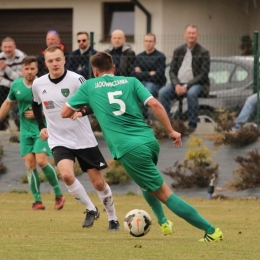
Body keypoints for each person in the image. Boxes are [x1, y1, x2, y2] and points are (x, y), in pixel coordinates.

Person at [61, 51, 224, 242]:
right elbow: (154, 103)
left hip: (129, 149)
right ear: (113, 68)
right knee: (146, 184)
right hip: (149, 141)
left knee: (164, 194)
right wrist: (171, 131)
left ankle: (212, 231)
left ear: (95, 71)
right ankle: (163, 222)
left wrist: (83, 108)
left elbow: (65, 112)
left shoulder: (89, 86)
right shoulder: (131, 81)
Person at [32, 45, 119, 231]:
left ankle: (113, 218)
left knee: (97, 182)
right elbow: (36, 105)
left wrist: (82, 112)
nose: (54, 63)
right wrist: (41, 127)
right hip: (59, 139)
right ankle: (90, 209)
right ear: (45, 63)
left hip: (83, 139)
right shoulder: (38, 84)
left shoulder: (77, 79)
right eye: (50, 61)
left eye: (57, 59)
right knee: (66, 175)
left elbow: (95, 102)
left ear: (64, 59)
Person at [0, 56, 65, 210]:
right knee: (30, 164)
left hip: (42, 129)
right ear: (22, 70)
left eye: (32, 69)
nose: (29, 72)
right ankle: (38, 201)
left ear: (37, 70)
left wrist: (40, 113)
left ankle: (58, 194)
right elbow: (8, 103)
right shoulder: (16, 85)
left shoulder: (44, 84)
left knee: (41, 160)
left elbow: (56, 104)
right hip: (25, 132)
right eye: (26, 69)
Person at [158, 25, 210, 133]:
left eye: (193, 33)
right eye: (189, 33)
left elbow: (203, 74)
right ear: (185, 35)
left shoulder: (204, 52)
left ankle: (192, 126)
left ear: (197, 35)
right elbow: (171, 71)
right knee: (162, 93)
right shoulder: (178, 51)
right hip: (178, 84)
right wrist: (176, 85)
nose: (191, 35)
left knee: (191, 93)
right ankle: (168, 124)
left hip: (197, 84)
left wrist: (186, 86)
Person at [132, 33, 166, 119]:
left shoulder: (160, 56)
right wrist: (149, 73)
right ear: (143, 42)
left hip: (155, 84)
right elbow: (134, 75)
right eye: (146, 41)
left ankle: (145, 119)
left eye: (150, 41)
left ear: (155, 43)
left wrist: (142, 73)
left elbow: (158, 75)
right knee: (132, 93)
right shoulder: (139, 56)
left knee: (144, 93)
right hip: (141, 83)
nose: (148, 43)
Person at [0, 37, 26, 130]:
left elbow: (22, 77)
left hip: (20, 85)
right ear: (1, 48)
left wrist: (6, 68)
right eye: (5, 47)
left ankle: (19, 124)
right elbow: (0, 80)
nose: (7, 49)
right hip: (5, 87)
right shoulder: (0, 57)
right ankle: (2, 124)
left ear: (15, 47)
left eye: (10, 47)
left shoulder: (21, 56)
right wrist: (12, 85)